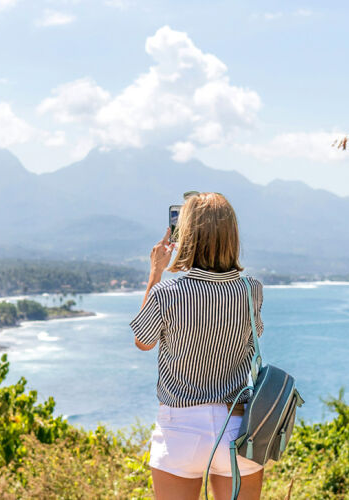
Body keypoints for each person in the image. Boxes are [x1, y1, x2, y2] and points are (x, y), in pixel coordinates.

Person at [130, 192, 264, 500]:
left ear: (187, 235)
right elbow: (254, 337)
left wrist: (155, 272)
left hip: (180, 428)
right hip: (237, 426)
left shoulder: (168, 292)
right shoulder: (251, 290)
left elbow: (143, 340)